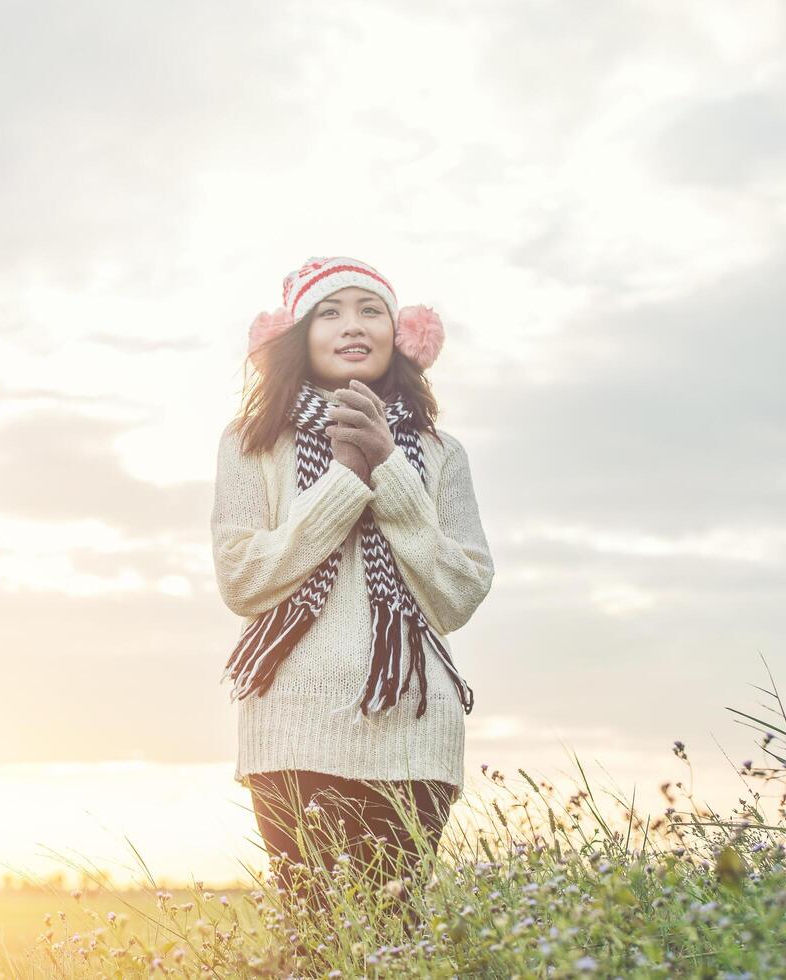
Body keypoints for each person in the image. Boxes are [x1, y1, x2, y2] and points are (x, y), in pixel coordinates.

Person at [210, 255, 495, 922]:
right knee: (315, 938)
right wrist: (345, 480)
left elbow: (459, 594)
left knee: (393, 938)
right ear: (297, 334)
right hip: (292, 728)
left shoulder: (440, 451)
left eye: (372, 311)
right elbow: (244, 580)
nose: (352, 326)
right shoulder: (252, 443)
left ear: (402, 335)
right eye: (329, 312)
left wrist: (390, 468)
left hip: (414, 730)